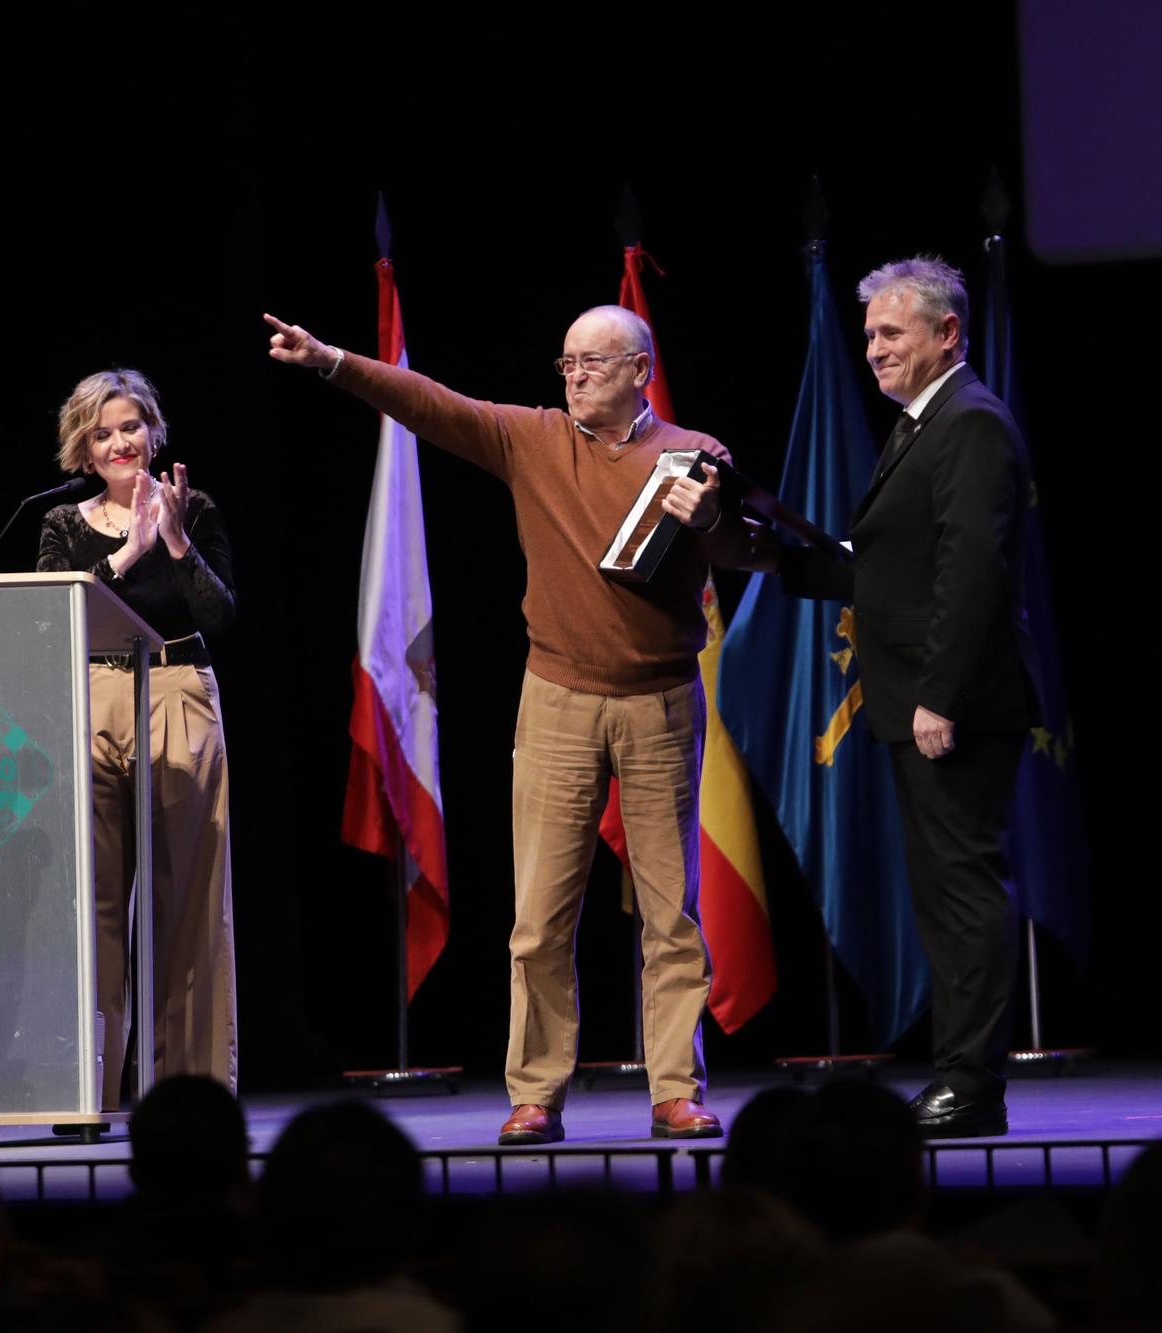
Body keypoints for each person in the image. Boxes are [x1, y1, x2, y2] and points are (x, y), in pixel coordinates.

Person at [265, 306, 726, 1145]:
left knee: (673, 912)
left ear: (638, 367)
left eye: (592, 362)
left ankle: (675, 1090)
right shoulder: (534, 439)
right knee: (542, 914)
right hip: (556, 698)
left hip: (660, 703)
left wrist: (715, 522)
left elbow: (750, 553)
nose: (575, 375)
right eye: (567, 362)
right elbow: (434, 404)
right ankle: (538, 1093)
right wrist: (333, 361)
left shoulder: (696, 456)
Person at [670, 257, 1036, 1137]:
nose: (872, 349)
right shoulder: (922, 424)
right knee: (943, 897)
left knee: (962, 896)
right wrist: (760, 538)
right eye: (868, 333)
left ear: (949, 334)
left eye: (890, 333)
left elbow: (971, 574)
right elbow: (884, 567)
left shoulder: (970, 424)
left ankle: (972, 1086)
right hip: (917, 701)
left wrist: (940, 696)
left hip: (954, 706)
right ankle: (961, 1077)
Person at [37, 369, 238, 1111]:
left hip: (178, 689)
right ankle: (88, 1088)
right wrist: (128, 551)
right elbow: (54, 614)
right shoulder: (62, 525)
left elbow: (220, 616)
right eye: (102, 432)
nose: (120, 441)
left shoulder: (196, 508)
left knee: (190, 900)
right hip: (91, 694)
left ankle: (191, 1094)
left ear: (153, 431)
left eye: (130, 426)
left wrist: (176, 542)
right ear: (84, 450)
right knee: (92, 900)